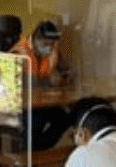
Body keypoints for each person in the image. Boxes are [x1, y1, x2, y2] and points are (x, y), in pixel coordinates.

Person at [7, 20, 75, 151]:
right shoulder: (18, 53)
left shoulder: (51, 50)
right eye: (46, 44)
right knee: (36, 123)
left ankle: (38, 151)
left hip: (43, 102)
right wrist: (49, 83)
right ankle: (31, 154)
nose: (49, 48)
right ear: (36, 40)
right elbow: (19, 84)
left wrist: (66, 75)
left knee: (64, 118)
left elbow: (64, 69)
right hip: (24, 105)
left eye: (52, 44)